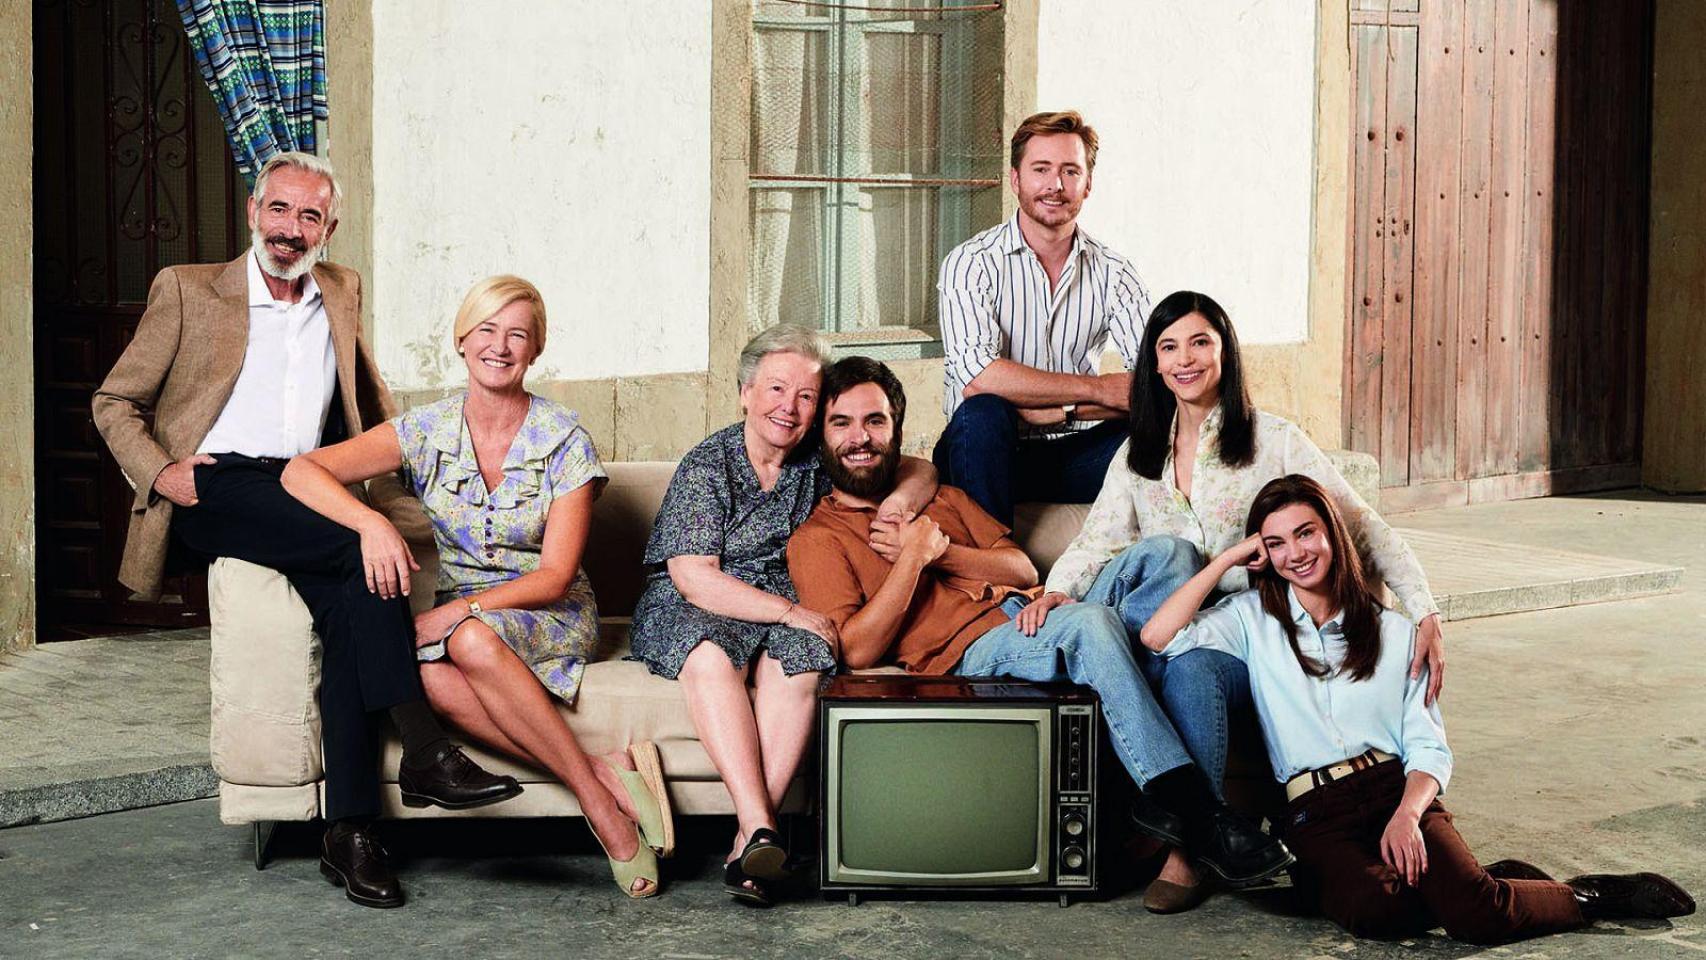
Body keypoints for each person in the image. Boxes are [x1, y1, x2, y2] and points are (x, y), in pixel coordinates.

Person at [91, 152, 519, 909]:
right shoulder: (187, 288)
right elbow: (114, 401)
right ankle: (425, 749)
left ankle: (349, 831)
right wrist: (161, 472)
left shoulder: (340, 289)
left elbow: (365, 401)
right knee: (363, 546)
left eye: (309, 215)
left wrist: (393, 489)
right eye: (279, 209)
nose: (291, 228)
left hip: (305, 483)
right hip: (218, 483)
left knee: (358, 607)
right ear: (254, 211)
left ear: (330, 227)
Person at [786, 357, 1296, 899]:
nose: (860, 438)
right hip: (973, 651)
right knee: (1092, 625)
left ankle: (1132, 756)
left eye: (875, 421)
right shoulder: (817, 539)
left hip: (1035, 613)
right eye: (842, 423)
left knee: (1173, 553)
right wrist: (912, 558)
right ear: (822, 435)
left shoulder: (942, 499)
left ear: (897, 429)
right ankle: (1196, 812)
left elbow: (1022, 569)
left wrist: (942, 551)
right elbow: (858, 651)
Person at [1019, 289, 1449, 909]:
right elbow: (1096, 541)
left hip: (1251, 636)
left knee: (1195, 670)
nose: (1185, 359)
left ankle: (1187, 853)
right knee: (1165, 597)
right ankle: (1176, 827)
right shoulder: (1139, 452)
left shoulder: (1275, 440)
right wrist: (1056, 592)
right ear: (1153, 363)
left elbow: (1359, 526)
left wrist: (1425, 608)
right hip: (1166, 629)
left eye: (1200, 342)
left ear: (1226, 352)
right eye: (1169, 347)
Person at [1139, 474, 1694, 943]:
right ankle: (1476, 882)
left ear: (1332, 532)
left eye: (1306, 533)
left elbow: (1427, 744)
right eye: (1276, 543)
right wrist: (1230, 559)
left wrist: (1407, 815)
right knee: (1373, 912)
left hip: (1392, 789)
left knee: (1477, 919)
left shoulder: (1397, 634)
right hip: (1313, 810)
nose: (1295, 554)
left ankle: (1588, 895)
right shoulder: (1250, 619)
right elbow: (1158, 636)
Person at [280, 275, 667, 898]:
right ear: (462, 339)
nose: (500, 346)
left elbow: (554, 576)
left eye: (518, 334)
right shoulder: (425, 430)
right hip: (461, 618)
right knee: (425, 675)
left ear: (536, 349)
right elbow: (302, 471)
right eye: (486, 329)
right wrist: (371, 522)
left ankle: (600, 810)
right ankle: (598, 772)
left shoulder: (565, 440)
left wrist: (458, 613)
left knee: (466, 640)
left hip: (548, 610)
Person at [626, 325, 937, 907]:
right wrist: (790, 610)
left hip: (782, 611)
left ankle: (751, 843)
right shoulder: (709, 464)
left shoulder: (818, 458)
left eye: (805, 396)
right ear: (745, 393)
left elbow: (919, 468)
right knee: (711, 655)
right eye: (775, 389)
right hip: (701, 600)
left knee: (806, 658)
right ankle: (759, 825)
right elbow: (693, 576)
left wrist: (896, 504)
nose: (788, 408)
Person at [934, 110, 1152, 527]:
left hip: (1078, 454)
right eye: (1041, 169)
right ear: (1016, 179)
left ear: (1088, 184)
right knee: (982, 413)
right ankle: (996, 561)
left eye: (1070, 171)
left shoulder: (1115, 273)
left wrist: (1060, 412)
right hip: (986, 451)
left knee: (1161, 431)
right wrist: (1100, 389)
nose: (1056, 185)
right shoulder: (972, 262)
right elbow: (979, 378)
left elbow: (1153, 387)